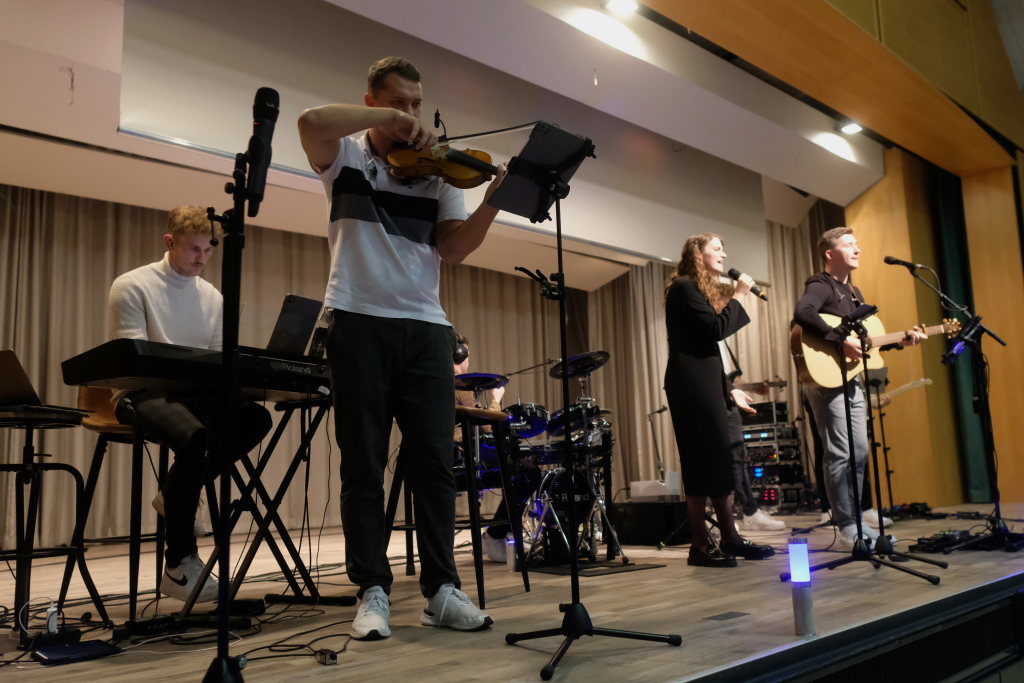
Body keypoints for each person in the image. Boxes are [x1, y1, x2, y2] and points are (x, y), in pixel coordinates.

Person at [297, 56, 505, 640]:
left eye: (417, 104)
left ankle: (442, 590)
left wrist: (494, 200)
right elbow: (310, 122)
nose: (412, 114)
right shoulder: (346, 156)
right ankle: (372, 589)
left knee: (434, 464)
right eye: (399, 103)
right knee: (363, 464)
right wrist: (386, 121)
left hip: (426, 327)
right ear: (373, 101)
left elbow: (454, 250)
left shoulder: (439, 173)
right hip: (357, 319)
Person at [108, 205, 272, 602]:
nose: (202, 258)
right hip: (139, 393)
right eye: (193, 249)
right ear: (170, 241)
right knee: (196, 439)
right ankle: (179, 566)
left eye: (209, 249)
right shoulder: (132, 285)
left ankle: (176, 491)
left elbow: (216, 363)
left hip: (193, 395)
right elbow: (134, 364)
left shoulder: (213, 297)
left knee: (256, 419)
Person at [793, 227, 925, 549]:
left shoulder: (854, 292)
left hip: (851, 379)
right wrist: (839, 340)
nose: (858, 249)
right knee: (839, 453)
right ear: (830, 253)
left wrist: (901, 341)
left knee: (860, 451)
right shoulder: (821, 284)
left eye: (857, 244)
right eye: (849, 244)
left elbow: (864, 342)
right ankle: (846, 526)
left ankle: (857, 522)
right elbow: (803, 313)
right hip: (826, 380)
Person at [663, 233, 774, 568]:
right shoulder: (683, 287)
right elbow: (714, 331)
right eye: (716, 249)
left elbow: (705, 348)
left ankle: (730, 537)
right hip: (690, 386)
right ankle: (699, 546)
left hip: (706, 383)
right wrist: (739, 295)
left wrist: (729, 388)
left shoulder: (695, 289)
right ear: (698, 253)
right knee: (700, 462)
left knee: (719, 460)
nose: (724, 254)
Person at [452, 335, 540, 564]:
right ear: (459, 355)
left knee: (523, 466)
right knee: (529, 472)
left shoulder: (446, 383)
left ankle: (498, 533)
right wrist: (496, 400)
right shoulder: (459, 386)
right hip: (464, 454)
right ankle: (495, 535)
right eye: (467, 355)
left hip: (460, 452)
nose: (469, 361)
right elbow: (484, 425)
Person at [714, 290, 786, 533]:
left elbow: (729, 379)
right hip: (716, 404)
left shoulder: (722, 340)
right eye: (726, 305)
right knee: (730, 458)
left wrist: (754, 387)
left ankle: (748, 511)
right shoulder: (712, 333)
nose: (729, 311)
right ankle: (745, 512)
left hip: (727, 402)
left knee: (738, 457)